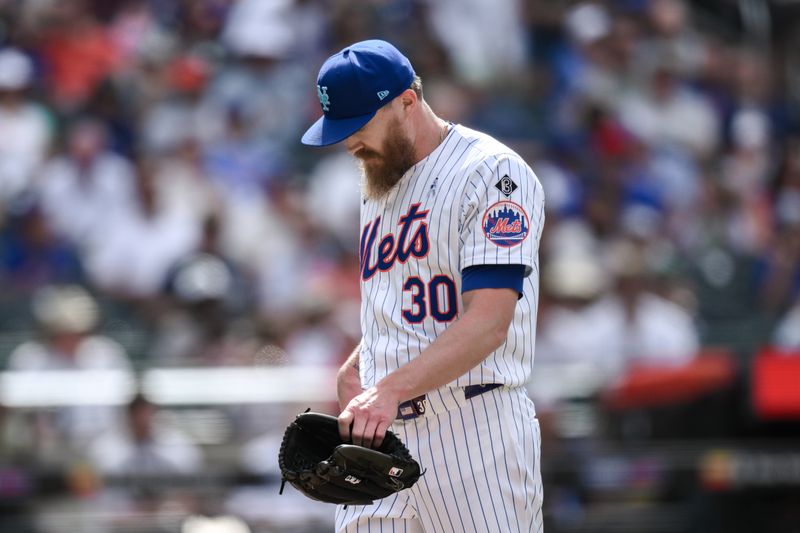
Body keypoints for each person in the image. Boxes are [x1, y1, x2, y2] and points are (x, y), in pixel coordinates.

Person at [301, 40, 545, 533]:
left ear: (406, 102)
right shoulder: (380, 175)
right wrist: (362, 363)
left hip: (476, 428)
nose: (350, 143)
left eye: (358, 126)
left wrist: (387, 388)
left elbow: (489, 322)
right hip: (384, 433)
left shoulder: (492, 173)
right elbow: (405, 296)